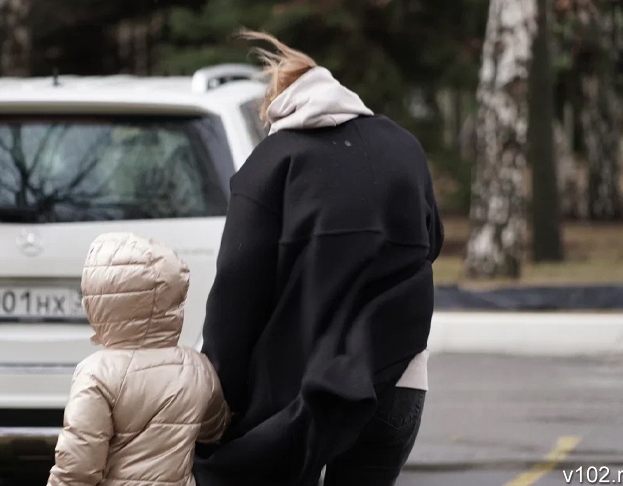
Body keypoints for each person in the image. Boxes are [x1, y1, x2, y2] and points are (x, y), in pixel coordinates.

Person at [193, 30, 444, 486]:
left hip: (298, 396)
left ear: (275, 104)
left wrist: (220, 397)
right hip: (397, 379)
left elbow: (236, 291)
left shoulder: (271, 163)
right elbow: (432, 243)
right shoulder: (403, 146)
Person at [47, 232, 230, 486]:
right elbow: (216, 428)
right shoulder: (197, 367)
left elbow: (78, 467)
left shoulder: (97, 373)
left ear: (100, 302)